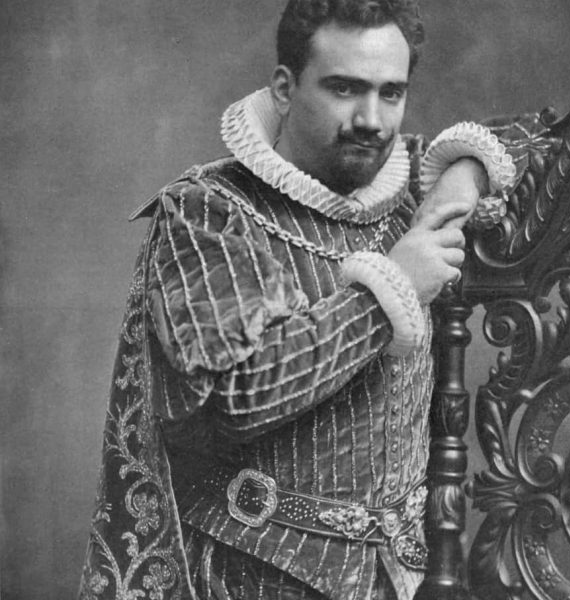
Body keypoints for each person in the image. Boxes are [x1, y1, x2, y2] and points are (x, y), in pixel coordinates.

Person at [79, 1, 515, 599]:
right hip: (253, 574)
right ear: (285, 88)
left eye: (392, 93)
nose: (372, 119)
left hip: (409, 579)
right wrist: (392, 287)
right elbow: (242, 392)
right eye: (344, 88)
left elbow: (553, 140)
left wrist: (467, 170)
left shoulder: (414, 184)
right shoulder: (210, 212)